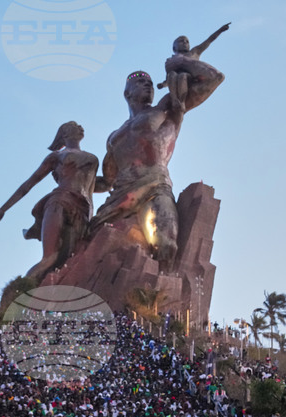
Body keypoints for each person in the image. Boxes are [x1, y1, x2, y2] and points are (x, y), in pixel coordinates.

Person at [91, 55, 224, 264]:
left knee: (166, 244)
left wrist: (181, 62)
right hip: (120, 194)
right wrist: (75, 184)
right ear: (127, 93)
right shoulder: (113, 138)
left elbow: (214, 78)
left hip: (155, 187)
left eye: (151, 84)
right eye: (141, 82)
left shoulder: (167, 107)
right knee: (89, 238)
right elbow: (107, 180)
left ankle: (159, 292)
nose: (148, 86)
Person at [0, 121, 106, 281]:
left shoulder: (92, 158)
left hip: (83, 211)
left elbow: (99, 185)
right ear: (64, 135)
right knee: (49, 258)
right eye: (73, 125)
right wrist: (2, 210)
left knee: (69, 258)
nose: (79, 126)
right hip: (60, 201)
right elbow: (28, 184)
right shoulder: (57, 156)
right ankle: (18, 293)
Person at [156, 24, 230, 109]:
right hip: (175, 82)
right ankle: (175, 100)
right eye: (181, 41)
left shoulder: (194, 52)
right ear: (174, 47)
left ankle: (182, 102)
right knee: (172, 74)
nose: (185, 43)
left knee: (182, 76)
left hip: (189, 79)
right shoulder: (170, 61)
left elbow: (208, 41)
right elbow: (168, 78)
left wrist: (220, 30)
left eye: (187, 42)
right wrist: (163, 84)